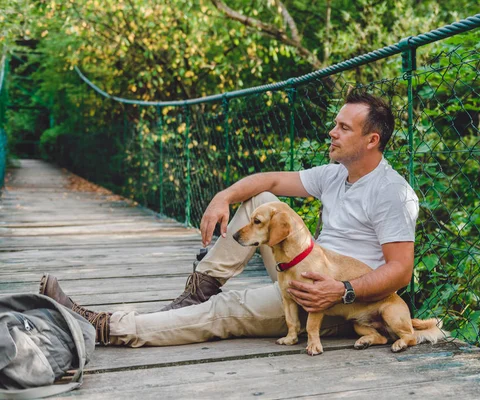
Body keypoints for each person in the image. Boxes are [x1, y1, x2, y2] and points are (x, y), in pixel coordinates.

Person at [39, 90, 419, 347]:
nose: (331, 132)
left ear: (372, 141)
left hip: (336, 301)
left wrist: (342, 291)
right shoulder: (337, 172)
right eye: (335, 124)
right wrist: (223, 197)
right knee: (260, 200)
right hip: (304, 266)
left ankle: (108, 328)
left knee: (226, 312)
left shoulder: (392, 192)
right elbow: (267, 180)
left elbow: (401, 270)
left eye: (343, 128)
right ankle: (197, 292)